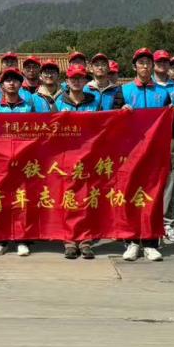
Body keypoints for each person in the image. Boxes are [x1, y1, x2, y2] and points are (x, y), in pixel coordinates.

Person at [109, 48, 174, 260]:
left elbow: (170, 125)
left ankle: (150, 242)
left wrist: (171, 114)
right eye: (141, 63)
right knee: (129, 196)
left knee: (152, 197)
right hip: (130, 154)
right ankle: (130, 241)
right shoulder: (124, 91)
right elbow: (111, 120)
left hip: (155, 154)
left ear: (153, 66)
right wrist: (121, 112)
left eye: (148, 63)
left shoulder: (162, 93)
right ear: (134, 67)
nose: (145, 66)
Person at [0, 69, 37, 257]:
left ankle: (22, 239)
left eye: (15, 80)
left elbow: (36, 131)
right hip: (0, 162)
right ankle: (0, 240)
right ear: (1, 85)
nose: (11, 83)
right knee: (0, 199)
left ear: (20, 84)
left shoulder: (28, 106)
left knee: (21, 200)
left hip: (23, 161)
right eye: (7, 80)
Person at [55, 64, 100, 260]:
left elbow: (105, 125)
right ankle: (69, 240)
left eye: (80, 78)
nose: (76, 81)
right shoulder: (59, 103)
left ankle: (85, 240)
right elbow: (49, 130)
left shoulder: (94, 102)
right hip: (65, 159)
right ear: (67, 81)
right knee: (68, 199)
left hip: (88, 158)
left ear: (85, 81)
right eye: (72, 78)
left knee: (87, 199)